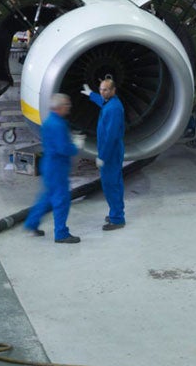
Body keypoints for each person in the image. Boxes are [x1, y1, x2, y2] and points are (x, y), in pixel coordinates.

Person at [25, 93, 81, 244]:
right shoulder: (59, 124)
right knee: (61, 200)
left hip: (49, 165)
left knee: (47, 197)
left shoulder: (49, 121)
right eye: (67, 105)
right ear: (60, 107)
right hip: (58, 168)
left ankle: (31, 224)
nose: (69, 108)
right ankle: (61, 234)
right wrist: (76, 146)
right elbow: (63, 148)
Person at [88, 76, 127, 231]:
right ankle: (116, 213)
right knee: (114, 183)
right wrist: (90, 94)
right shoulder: (111, 102)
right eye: (100, 89)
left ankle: (117, 219)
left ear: (113, 90)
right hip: (113, 150)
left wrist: (102, 157)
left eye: (105, 90)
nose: (102, 92)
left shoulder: (114, 109)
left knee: (111, 185)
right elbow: (102, 101)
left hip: (110, 152)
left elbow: (110, 136)